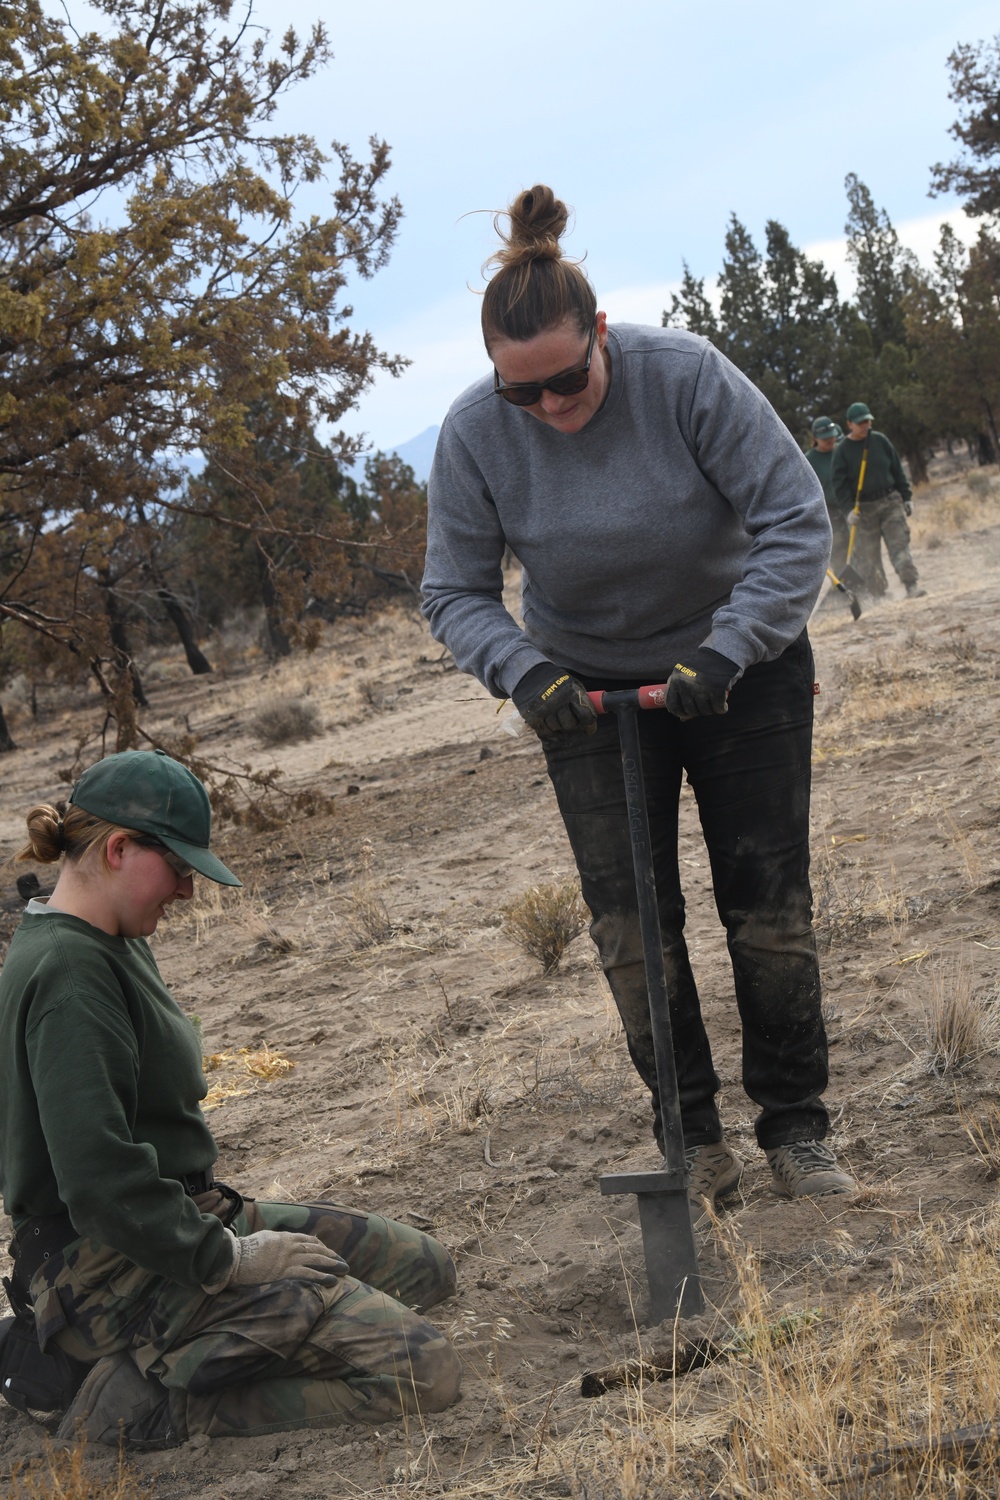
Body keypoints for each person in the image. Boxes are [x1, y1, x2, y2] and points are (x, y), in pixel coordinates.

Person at [421, 185, 856, 1225]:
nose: (550, 409)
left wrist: (727, 649)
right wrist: (525, 675)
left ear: (601, 335)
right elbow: (453, 592)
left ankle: (795, 1128)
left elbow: (795, 523)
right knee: (630, 929)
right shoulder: (478, 434)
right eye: (521, 393)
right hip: (587, 696)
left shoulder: (686, 378)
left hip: (739, 674)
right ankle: (689, 1138)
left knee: (766, 908)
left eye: (566, 381)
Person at [0, 749, 459, 1448]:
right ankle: (141, 1402)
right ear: (119, 849)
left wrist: (223, 1235)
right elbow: (97, 1183)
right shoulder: (69, 971)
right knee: (423, 1372)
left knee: (424, 1269)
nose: (187, 891)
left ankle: (171, 1350)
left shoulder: (111, 938)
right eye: (179, 869)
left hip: (182, 1215)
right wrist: (228, 1260)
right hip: (106, 1262)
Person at [830, 402, 926, 599]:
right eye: (860, 423)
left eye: (868, 421)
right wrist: (848, 510)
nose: (865, 426)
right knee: (868, 557)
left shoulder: (880, 441)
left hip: (890, 502)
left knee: (900, 546)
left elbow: (897, 470)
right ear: (849, 424)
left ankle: (911, 585)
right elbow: (839, 486)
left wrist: (906, 497)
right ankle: (879, 594)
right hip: (863, 509)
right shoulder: (842, 451)